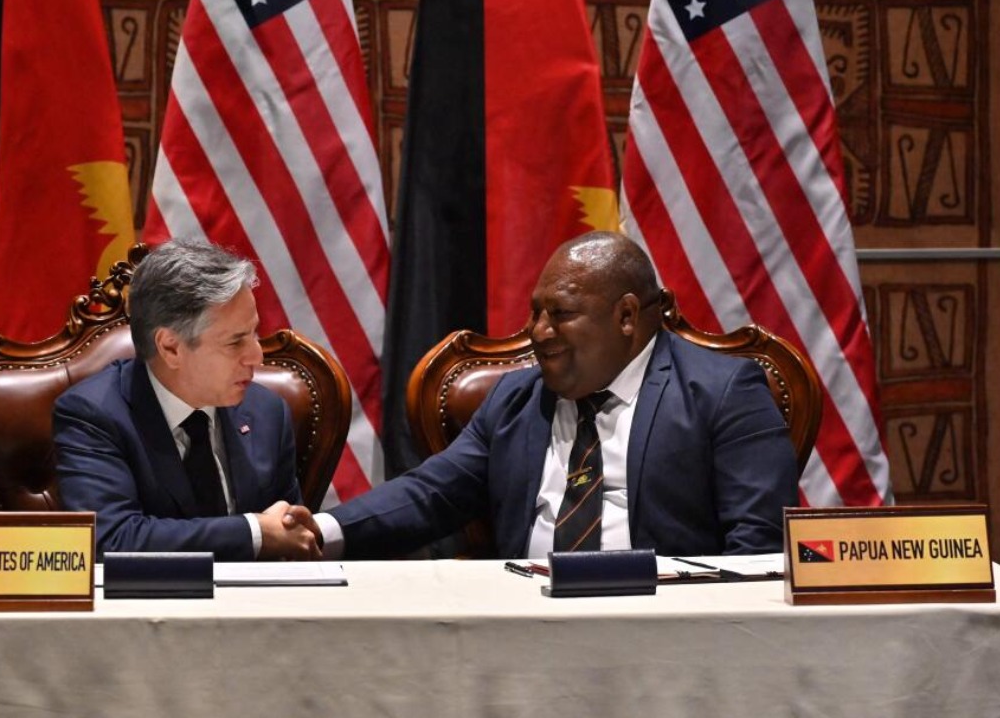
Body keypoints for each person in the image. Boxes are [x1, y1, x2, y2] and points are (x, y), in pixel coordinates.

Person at [312, 231, 798, 559]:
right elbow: (430, 493)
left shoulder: (722, 393)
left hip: (666, 637)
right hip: (525, 629)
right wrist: (317, 533)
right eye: (535, 312)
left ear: (627, 317)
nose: (536, 333)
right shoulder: (517, 398)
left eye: (560, 314)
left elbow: (757, 546)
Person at [54, 238, 320, 560]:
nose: (257, 356)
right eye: (236, 342)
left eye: (253, 333)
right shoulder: (94, 416)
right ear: (170, 348)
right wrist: (253, 532)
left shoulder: (267, 412)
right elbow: (112, 541)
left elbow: (289, 540)